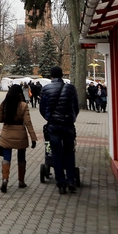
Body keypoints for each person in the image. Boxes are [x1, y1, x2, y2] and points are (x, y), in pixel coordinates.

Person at [40, 66, 79, 194]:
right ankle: (71, 180)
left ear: (51, 76)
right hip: (68, 125)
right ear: (62, 75)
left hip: (53, 126)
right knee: (69, 152)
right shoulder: (70, 88)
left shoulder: (46, 89)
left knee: (56, 153)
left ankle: (61, 183)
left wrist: (48, 117)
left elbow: (42, 107)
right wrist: (71, 118)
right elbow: (76, 107)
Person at [0, 84, 37, 193]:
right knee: (21, 157)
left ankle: (5, 179)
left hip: (7, 132)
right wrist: (33, 138)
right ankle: (21, 181)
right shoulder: (23, 105)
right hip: (20, 133)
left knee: (6, 157)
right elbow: (28, 122)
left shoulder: (4, 104)